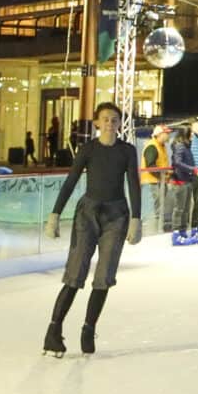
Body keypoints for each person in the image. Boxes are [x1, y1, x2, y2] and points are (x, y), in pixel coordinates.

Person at [42, 101, 142, 356]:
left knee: (104, 276)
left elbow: (133, 184)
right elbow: (71, 181)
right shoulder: (88, 149)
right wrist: (55, 214)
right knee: (75, 273)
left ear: (120, 124)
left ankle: (88, 329)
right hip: (88, 213)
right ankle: (53, 331)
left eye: (114, 120)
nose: (110, 123)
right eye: (105, 119)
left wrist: (136, 219)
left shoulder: (127, 151)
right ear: (97, 123)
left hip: (116, 215)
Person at [165, 125, 198, 246]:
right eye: (190, 134)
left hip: (186, 180)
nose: (192, 136)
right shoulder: (180, 146)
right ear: (185, 134)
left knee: (185, 209)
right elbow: (177, 162)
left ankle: (182, 232)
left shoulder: (186, 146)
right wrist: (194, 170)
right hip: (180, 181)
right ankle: (176, 235)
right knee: (180, 209)